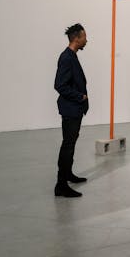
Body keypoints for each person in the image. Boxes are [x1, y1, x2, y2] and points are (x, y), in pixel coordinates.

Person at [54, 23, 89, 197]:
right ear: (76, 38)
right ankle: (61, 185)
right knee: (67, 145)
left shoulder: (72, 55)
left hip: (74, 109)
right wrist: (80, 97)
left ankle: (68, 174)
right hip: (70, 109)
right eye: (84, 37)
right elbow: (59, 85)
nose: (86, 40)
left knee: (71, 143)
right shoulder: (66, 57)